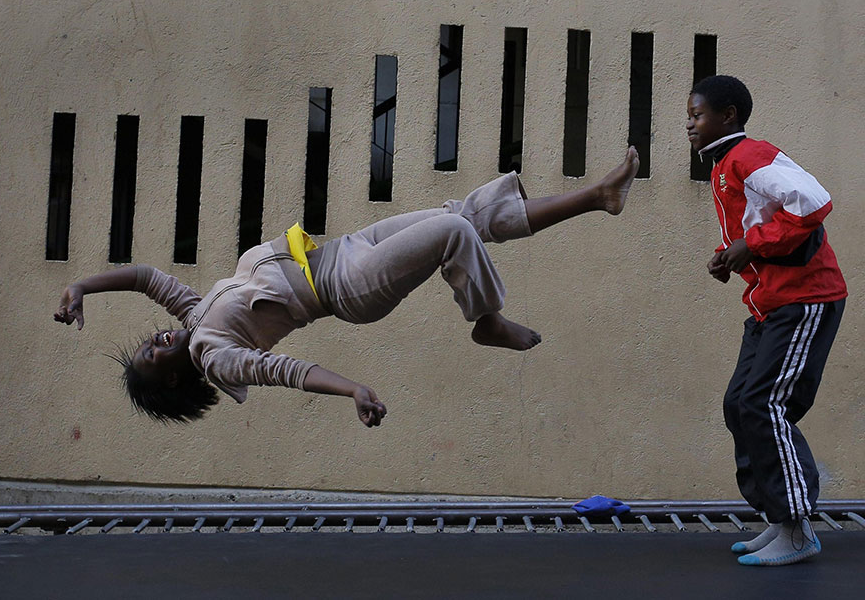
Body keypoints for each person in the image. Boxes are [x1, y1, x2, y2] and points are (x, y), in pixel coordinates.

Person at [55, 148, 639, 428]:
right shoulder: (216, 356)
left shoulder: (195, 312)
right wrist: (353, 388)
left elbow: (142, 277)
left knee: (467, 215)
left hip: (343, 249)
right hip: (347, 287)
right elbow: (288, 372)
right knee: (454, 230)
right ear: (179, 377)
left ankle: (595, 198)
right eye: (155, 357)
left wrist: (83, 284)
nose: (157, 341)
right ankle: (485, 318)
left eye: (146, 343)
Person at [686, 75, 847, 566]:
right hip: (770, 302)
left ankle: (797, 528)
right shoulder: (724, 167)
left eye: (696, 115)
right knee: (741, 404)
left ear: (728, 115)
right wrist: (726, 255)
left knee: (764, 402)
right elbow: (755, 226)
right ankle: (779, 518)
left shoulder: (748, 156)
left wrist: (748, 247)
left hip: (806, 299)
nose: (689, 125)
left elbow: (813, 202)